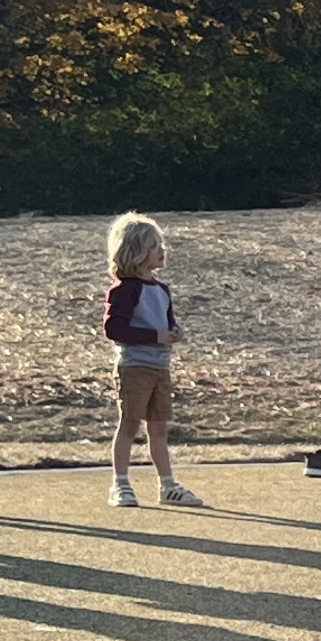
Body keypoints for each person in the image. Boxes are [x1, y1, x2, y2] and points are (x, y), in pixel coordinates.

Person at [104, 215, 204, 510]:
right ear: (134, 251)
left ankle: (167, 485)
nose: (161, 250)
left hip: (160, 368)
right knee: (130, 424)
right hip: (135, 368)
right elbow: (115, 330)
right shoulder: (123, 289)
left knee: (159, 428)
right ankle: (120, 483)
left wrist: (173, 334)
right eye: (153, 246)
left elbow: (167, 324)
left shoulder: (161, 290)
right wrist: (155, 336)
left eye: (160, 244)